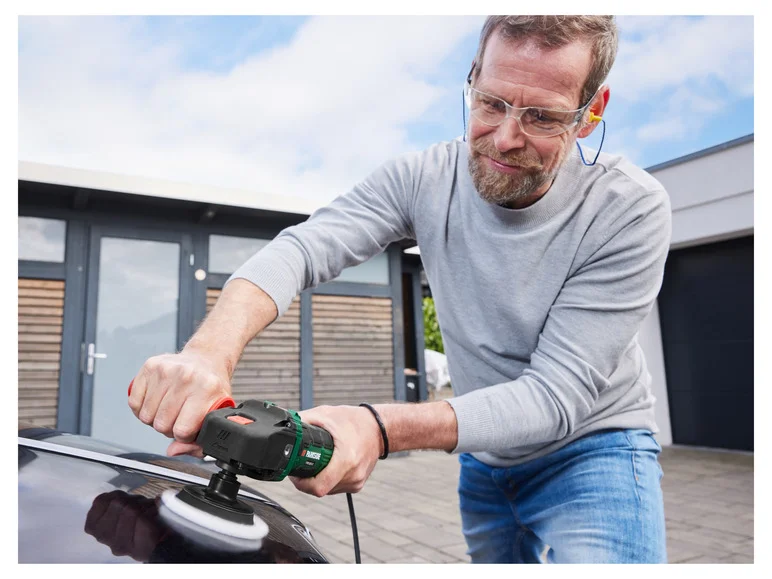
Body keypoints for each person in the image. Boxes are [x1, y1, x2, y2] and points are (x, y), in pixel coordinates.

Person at [128, 15, 671, 563]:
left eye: (542, 116)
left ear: (590, 113)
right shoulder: (422, 178)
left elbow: (557, 394)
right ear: (473, 75)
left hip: (593, 450)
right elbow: (302, 248)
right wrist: (207, 352)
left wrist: (377, 428)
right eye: (490, 103)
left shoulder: (629, 210)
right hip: (483, 457)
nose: (506, 137)